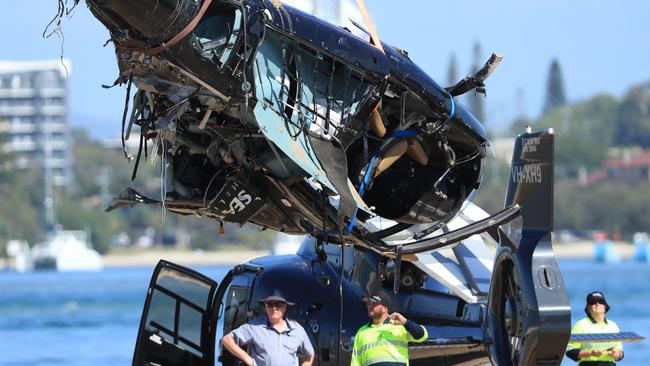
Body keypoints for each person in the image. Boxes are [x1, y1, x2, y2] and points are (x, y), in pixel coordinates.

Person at [221, 290, 314, 366]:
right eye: (270, 304)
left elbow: (310, 355)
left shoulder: (297, 330)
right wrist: (248, 360)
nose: (274, 308)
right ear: (265, 308)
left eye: (278, 304)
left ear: (285, 307)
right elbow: (226, 340)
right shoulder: (254, 327)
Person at [350, 294, 428, 366]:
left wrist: (405, 322)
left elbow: (423, 335)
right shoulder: (361, 332)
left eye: (374, 303)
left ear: (385, 308)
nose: (369, 305)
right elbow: (355, 361)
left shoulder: (399, 326)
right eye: (368, 303)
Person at [565, 291, 624, 365]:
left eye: (600, 302)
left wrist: (617, 354)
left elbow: (620, 353)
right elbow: (570, 351)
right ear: (588, 308)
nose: (597, 304)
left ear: (605, 306)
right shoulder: (580, 325)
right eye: (593, 302)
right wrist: (590, 353)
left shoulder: (613, 325)